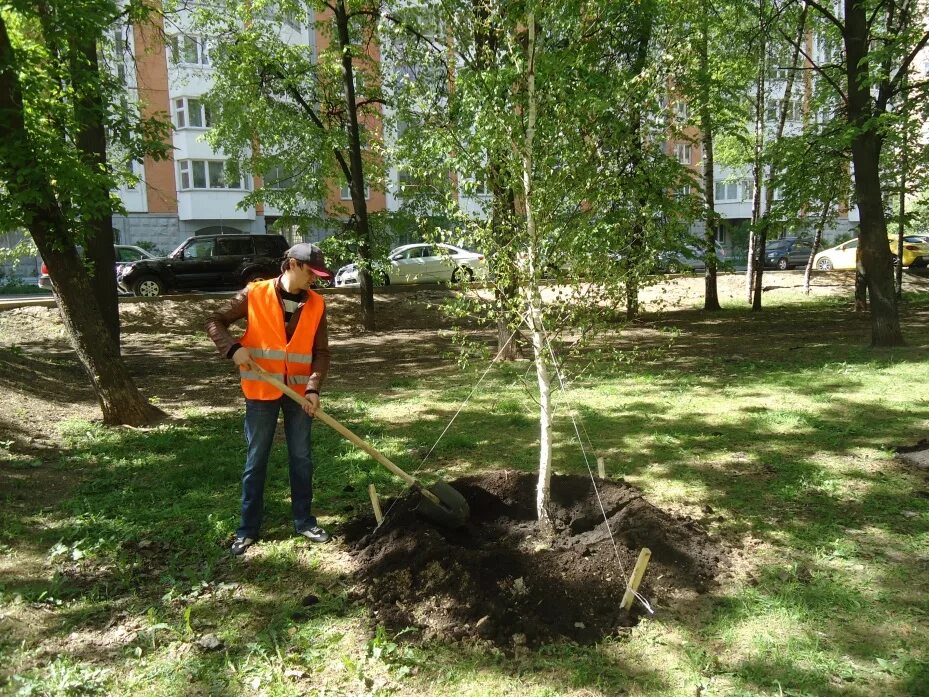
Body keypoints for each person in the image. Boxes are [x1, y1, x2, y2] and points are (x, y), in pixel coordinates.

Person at [206, 243, 333, 555]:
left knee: (301, 457)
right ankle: (247, 529)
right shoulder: (254, 293)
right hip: (261, 392)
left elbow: (321, 353)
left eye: (318, 275)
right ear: (291, 264)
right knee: (256, 458)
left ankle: (304, 521)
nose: (313, 280)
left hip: (299, 394)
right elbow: (214, 321)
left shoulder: (316, 304)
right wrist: (232, 349)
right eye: (310, 272)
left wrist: (314, 388)